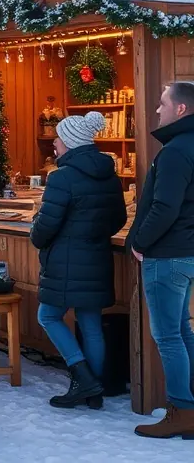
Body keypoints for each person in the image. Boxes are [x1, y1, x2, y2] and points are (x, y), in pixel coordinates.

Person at [30, 112, 126, 409]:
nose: (54, 143)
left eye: (58, 138)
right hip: (96, 258)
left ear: (69, 143)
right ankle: (93, 391)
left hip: (65, 261)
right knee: (91, 325)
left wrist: (37, 231)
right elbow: (118, 218)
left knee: (48, 316)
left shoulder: (62, 178)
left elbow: (45, 227)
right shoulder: (109, 175)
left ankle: (83, 377)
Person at [128, 81, 194, 438]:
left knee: (169, 335)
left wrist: (140, 241)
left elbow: (165, 206)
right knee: (182, 331)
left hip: (167, 254)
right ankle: (189, 405)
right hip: (186, 251)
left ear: (181, 109)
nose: (157, 110)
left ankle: (182, 410)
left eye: (162, 103)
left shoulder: (175, 151)